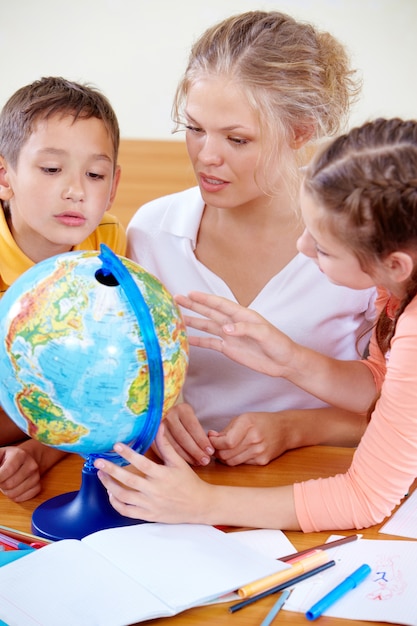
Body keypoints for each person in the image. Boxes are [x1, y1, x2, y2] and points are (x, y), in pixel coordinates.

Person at [95, 117, 417, 532]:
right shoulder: (395, 284)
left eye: (322, 248)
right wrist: (290, 360)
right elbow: (386, 386)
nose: (302, 249)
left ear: (394, 264)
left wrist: (202, 503)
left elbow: (365, 498)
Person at [126, 10, 376, 468]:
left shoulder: (358, 240)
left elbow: (397, 406)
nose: (207, 156)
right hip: (184, 487)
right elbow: (129, 375)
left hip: (317, 485)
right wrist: (154, 415)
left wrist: (294, 428)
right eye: (195, 129)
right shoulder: (151, 232)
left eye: (237, 140)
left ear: (299, 131)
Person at [0, 76, 126, 502]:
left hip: (52, 436)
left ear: (113, 187)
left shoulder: (109, 245)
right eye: (52, 169)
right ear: (4, 175)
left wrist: (38, 453)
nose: (75, 191)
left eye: (95, 174)